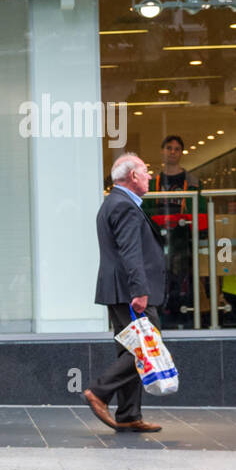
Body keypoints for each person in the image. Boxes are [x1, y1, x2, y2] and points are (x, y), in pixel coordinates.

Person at [83, 153, 164, 433]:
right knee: (146, 347)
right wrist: (140, 291)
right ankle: (98, 391)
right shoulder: (124, 206)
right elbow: (131, 252)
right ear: (132, 176)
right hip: (130, 292)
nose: (150, 176)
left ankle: (129, 414)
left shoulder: (115, 203)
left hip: (119, 289)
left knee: (131, 350)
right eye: (146, 170)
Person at [148, 135, 201, 329]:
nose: (172, 152)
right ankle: (161, 314)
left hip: (182, 237)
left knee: (182, 276)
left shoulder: (192, 181)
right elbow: (146, 209)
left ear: (181, 153)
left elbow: (199, 210)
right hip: (158, 236)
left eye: (177, 149)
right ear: (162, 151)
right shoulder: (152, 181)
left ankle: (183, 314)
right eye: (169, 148)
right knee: (160, 275)